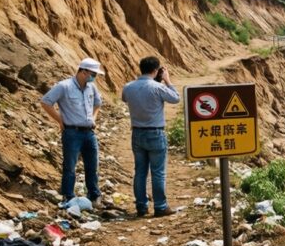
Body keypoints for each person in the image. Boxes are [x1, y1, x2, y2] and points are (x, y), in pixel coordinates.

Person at [40, 58, 105, 208]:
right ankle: (68, 196)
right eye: (93, 74)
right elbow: (45, 102)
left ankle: (94, 195)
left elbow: (97, 103)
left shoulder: (91, 87)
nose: (94, 77)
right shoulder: (64, 86)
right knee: (70, 166)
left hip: (89, 133)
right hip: (72, 132)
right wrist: (60, 120)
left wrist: (93, 118)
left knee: (92, 165)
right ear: (83, 71)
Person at [121, 56, 180, 217]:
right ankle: (160, 207)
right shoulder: (157, 87)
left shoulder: (128, 87)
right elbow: (176, 98)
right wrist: (167, 80)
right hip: (155, 133)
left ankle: (141, 206)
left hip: (137, 133)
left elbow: (124, 98)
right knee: (158, 172)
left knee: (140, 171)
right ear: (155, 71)